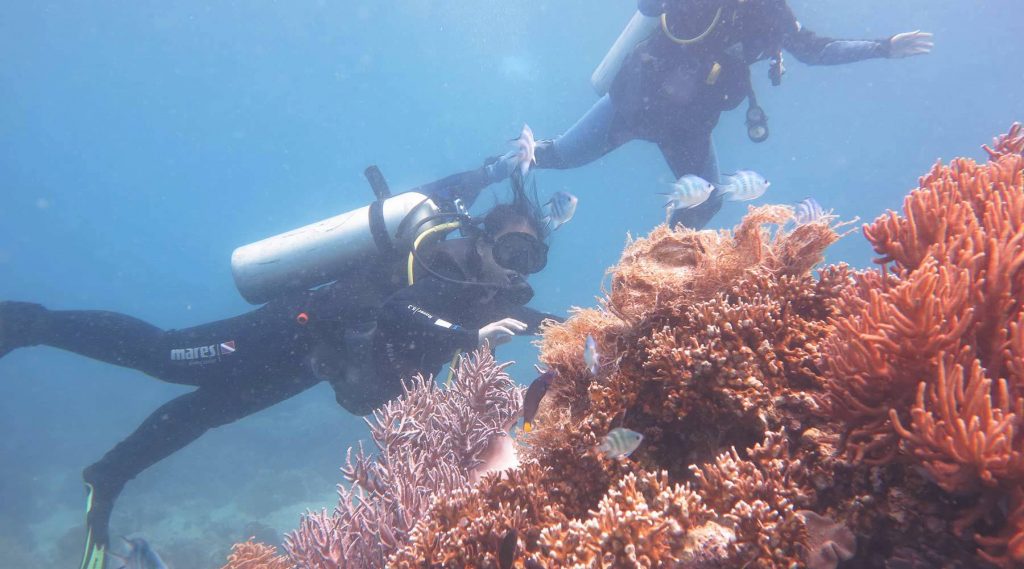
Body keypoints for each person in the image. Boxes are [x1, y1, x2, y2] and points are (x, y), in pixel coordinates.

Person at [0, 172, 558, 569]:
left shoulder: (483, 296)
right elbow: (395, 311)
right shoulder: (442, 265)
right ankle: (27, 323)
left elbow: (539, 320)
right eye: (511, 250)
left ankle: (108, 475)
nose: (516, 268)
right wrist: (466, 337)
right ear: (483, 240)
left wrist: (595, 325)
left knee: (206, 413)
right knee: (164, 356)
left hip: (311, 363)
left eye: (530, 259)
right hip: (289, 330)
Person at [468, 0, 934, 229]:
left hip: (689, 126)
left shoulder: (771, 12)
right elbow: (649, 7)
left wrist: (882, 48)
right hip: (633, 102)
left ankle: (656, 275)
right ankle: (479, 176)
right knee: (559, 156)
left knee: (707, 200)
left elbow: (815, 50)